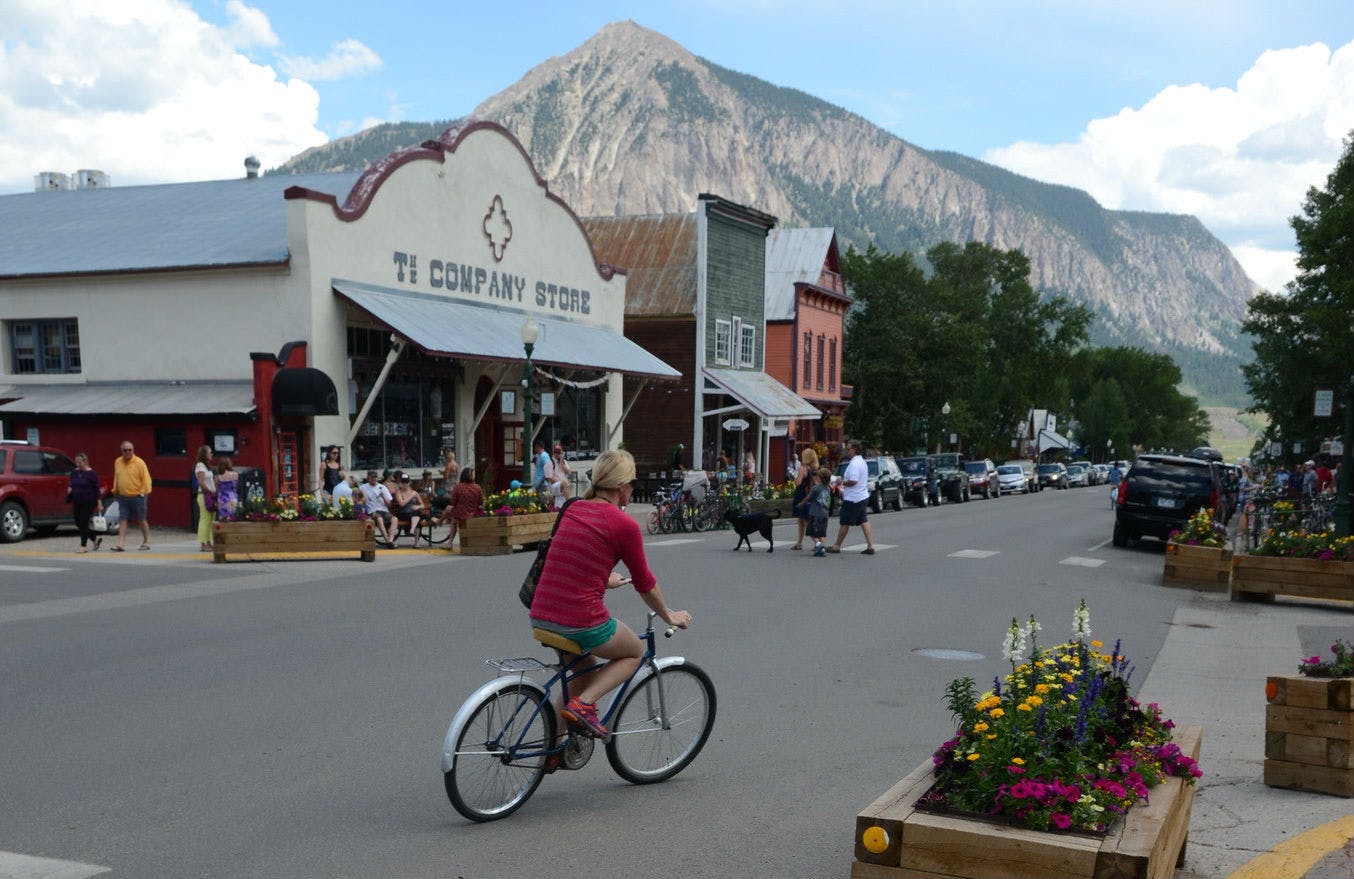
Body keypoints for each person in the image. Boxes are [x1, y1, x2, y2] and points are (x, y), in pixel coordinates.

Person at [528, 449, 691, 740]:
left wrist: (603, 578)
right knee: (633, 651)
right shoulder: (623, 524)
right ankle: (583, 706)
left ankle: (548, 751)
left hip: (541, 614)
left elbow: (571, 561)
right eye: (632, 482)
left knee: (584, 673)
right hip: (579, 620)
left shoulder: (574, 507)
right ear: (621, 486)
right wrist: (669, 615)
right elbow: (645, 583)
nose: (633, 488)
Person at [828, 439, 876, 554]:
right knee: (864, 521)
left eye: (848, 449)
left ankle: (836, 546)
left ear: (854, 450)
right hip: (862, 496)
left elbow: (853, 481)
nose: (847, 451)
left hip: (853, 498)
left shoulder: (854, 463)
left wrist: (841, 482)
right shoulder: (862, 461)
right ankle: (870, 546)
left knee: (845, 522)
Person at [110, 440, 152, 551]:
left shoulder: (139, 462)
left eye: (130, 450)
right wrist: (115, 491)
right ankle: (121, 544)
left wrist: (143, 492)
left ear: (133, 450)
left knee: (141, 519)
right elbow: (117, 477)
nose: (128, 452)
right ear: (121, 451)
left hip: (138, 495)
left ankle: (146, 541)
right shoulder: (117, 462)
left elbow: (146, 479)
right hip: (123, 496)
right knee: (122, 519)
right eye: (125, 450)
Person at [439, 467, 484, 546]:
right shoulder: (478, 487)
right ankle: (440, 521)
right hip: (473, 514)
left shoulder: (458, 487)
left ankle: (449, 541)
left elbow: (453, 502)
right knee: (451, 512)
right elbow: (481, 502)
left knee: (452, 516)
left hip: (460, 514)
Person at [69, 452, 103, 552]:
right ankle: (95, 539)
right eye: (76, 462)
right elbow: (71, 483)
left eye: (80, 462)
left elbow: (96, 489)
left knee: (83, 522)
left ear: (85, 461)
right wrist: (70, 488)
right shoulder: (74, 472)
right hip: (77, 500)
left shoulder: (92, 474)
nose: (78, 464)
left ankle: (83, 546)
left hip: (89, 501)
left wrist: (99, 502)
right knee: (78, 522)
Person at [790, 446, 820, 550]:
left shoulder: (802, 469)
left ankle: (818, 543)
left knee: (805, 521)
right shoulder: (814, 469)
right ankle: (799, 543)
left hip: (801, 496)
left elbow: (798, 483)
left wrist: (795, 476)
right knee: (801, 520)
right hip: (809, 496)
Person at [390, 471, 426, 545]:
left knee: (417, 516)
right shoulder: (398, 492)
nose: (404, 484)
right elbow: (401, 503)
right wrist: (411, 496)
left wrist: (418, 506)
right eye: (403, 482)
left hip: (413, 513)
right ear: (401, 483)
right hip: (403, 513)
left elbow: (423, 505)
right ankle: (415, 538)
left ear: (409, 483)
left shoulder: (414, 493)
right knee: (418, 516)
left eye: (406, 482)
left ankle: (413, 535)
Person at [361, 470, 395, 545]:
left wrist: (383, 497)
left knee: (394, 519)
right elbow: (360, 500)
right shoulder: (363, 487)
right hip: (372, 511)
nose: (373, 479)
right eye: (372, 477)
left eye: (375, 477)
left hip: (384, 510)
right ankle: (388, 541)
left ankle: (391, 540)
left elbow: (389, 504)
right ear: (368, 478)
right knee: (379, 519)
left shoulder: (382, 487)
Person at [193, 444, 216, 551]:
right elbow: (201, 483)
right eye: (210, 452)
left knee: (211, 519)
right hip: (204, 495)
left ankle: (209, 542)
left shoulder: (207, 466)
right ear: (205, 454)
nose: (212, 454)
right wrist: (211, 491)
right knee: (205, 519)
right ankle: (203, 543)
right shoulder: (200, 466)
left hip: (210, 495)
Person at [807, 467, 833, 557]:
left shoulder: (815, 488)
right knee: (821, 532)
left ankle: (818, 545)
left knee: (811, 532)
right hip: (825, 513)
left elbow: (809, 497)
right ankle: (821, 549)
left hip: (815, 513)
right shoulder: (828, 488)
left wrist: (801, 504)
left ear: (820, 478)